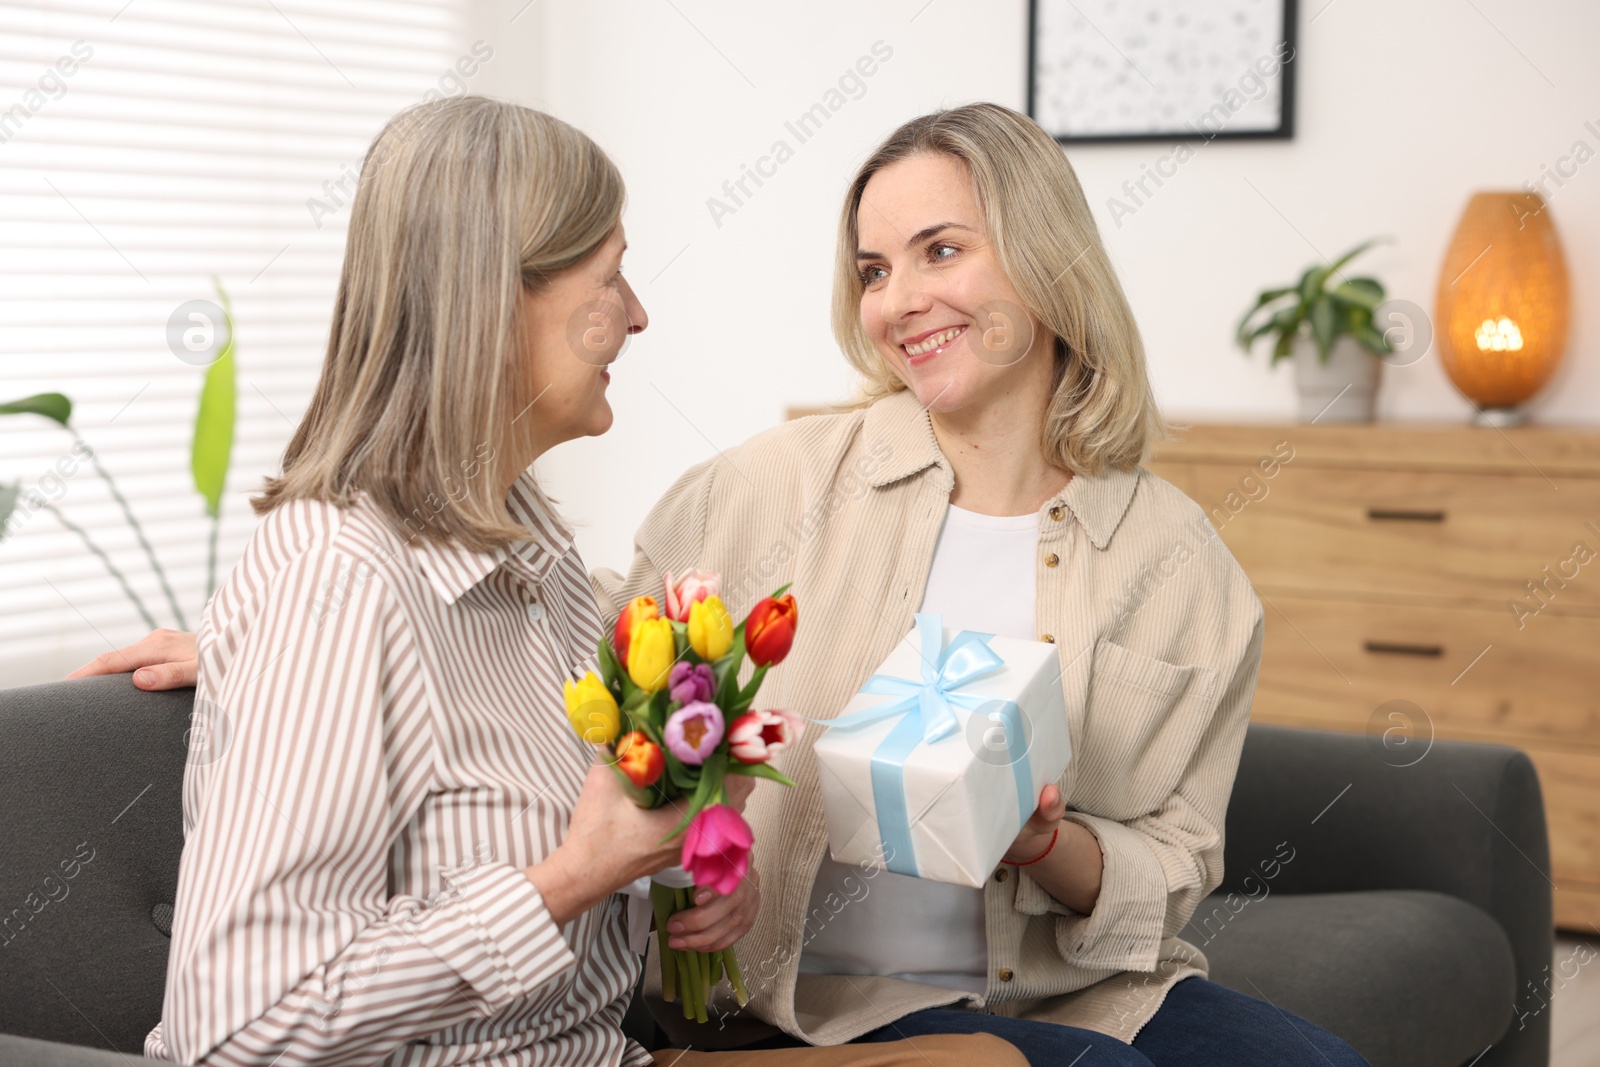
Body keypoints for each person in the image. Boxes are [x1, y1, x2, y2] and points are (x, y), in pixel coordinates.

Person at [76, 103, 1369, 1066]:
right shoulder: (760, 489)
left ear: (1044, 260)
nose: (898, 299)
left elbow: (1176, 862)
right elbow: (639, 640)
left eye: (939, 252)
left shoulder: (1177, 557)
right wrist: (263, 639)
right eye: (873, 268)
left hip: (1060, 978)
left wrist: (1049, 845)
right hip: (811, 1000)